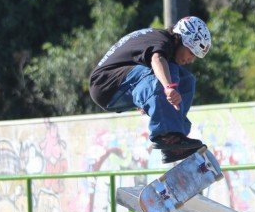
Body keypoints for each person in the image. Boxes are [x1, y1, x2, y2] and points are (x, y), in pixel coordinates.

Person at [89, 16, 212, 163]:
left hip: (122, 82)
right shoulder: (162, 39)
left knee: (186, 80)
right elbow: (157, 60)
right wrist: (168, 87)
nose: (191, 59)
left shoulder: (165, 47)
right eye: (191, 52)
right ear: (181, 39)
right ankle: (166, 134)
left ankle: (175, 140)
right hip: (104, 84)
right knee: (161, 75)